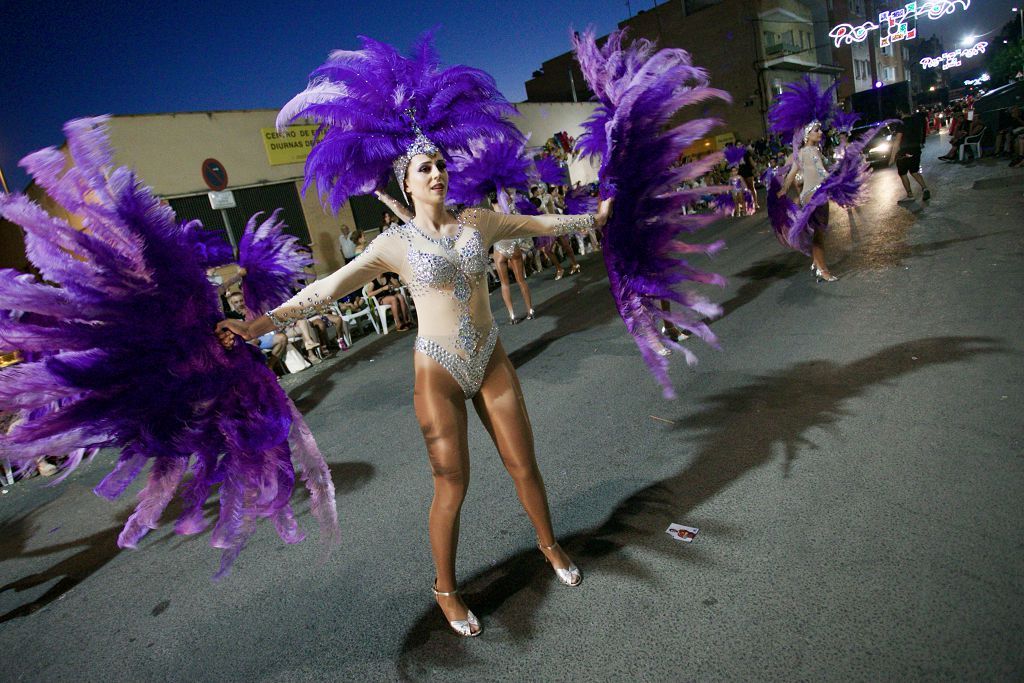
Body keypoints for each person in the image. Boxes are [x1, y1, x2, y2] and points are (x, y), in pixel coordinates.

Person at [219, 35, 610, 637]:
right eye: (425, 167)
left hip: (491, 356)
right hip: (438, 370)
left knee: (524, 465)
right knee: (452, 483)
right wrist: (260, 324)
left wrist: (595, 216)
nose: (438, 172)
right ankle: (446, 588)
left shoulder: (478, 220)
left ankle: (549, 545)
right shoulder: (391, 245)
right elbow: (328, 289)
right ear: (406, 182)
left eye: (441, 164)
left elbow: (539, 223)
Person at [778, 122, 837, 282]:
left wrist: (783, 191)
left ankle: (816, 263)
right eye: (816, 130)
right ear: (807, 135)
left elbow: (791, 175)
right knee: (818, 234)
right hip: (816, 195)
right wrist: (838, 179)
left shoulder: (803, 153)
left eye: (820, 130)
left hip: (808, 196)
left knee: (817, 233)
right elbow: (821, 171)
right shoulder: (811, 151)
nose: (820, 133)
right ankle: (822, 271)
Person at [889, 108, 931, 202]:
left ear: (900, 111)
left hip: (905, 152)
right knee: (914, 171)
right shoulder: (916, 121)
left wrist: (892, 157)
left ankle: (910, 195)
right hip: (916, 149)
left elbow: (897, 140)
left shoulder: (901, 123)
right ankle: (925, 188)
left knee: (903, 173)